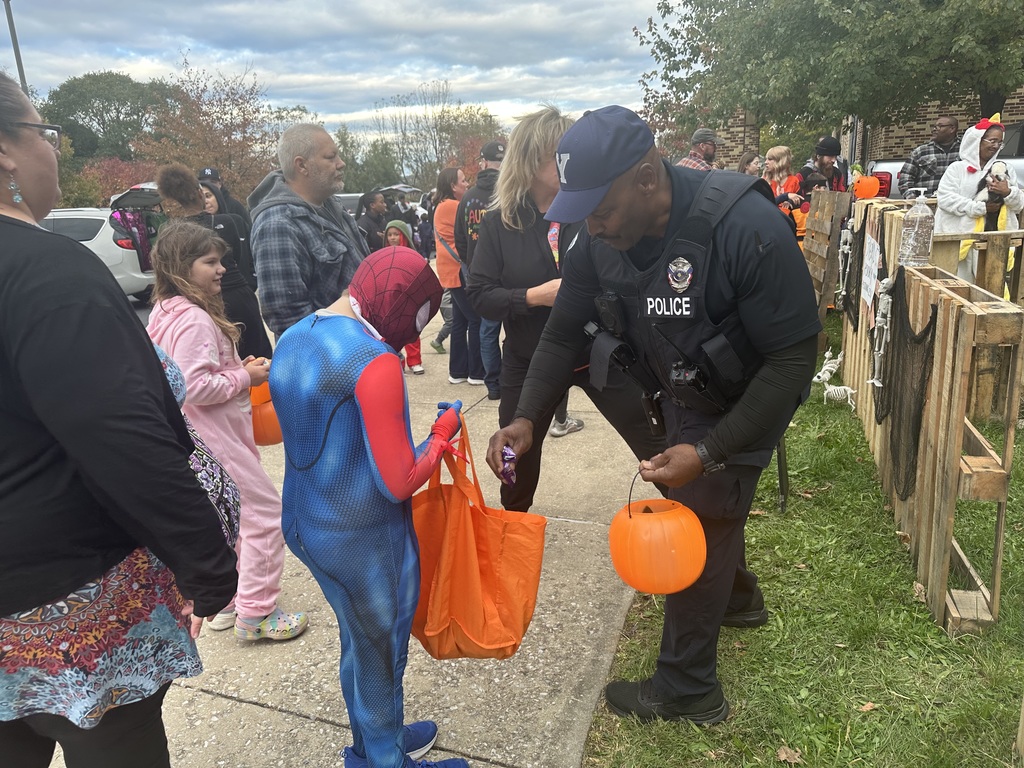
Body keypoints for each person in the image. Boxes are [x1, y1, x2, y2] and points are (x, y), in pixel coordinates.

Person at [485, 105, 820, 723]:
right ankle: (739, 600)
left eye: (601, 209)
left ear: (646, 176)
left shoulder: (746, 225)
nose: (591, 225)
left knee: (702, 507)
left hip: (753, 391)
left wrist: (713, 451)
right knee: (714, 509)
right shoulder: (598, 239)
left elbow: (793, 361)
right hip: (679, 386)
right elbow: (562, 335)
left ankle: (688, 688)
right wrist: (527, 417)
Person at [0, 72, 237, 767]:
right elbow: (119, 440)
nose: (53, 152)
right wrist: (208, 563)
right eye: (46, 133)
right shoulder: (46, 272)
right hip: (67, 592)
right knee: (116, 747)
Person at [270, 246, 469, 768]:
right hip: (360, 535)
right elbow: (399, 480)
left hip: (305, 521)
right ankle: (386, 758)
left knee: (356, 639)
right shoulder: (373, 361)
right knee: (381, 650)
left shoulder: (296, 334)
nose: (416, 335)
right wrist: (441, 433)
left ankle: (369, 743)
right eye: (418, 321)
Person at [468, 106, 669, 511]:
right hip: (528, 359)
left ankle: (699, 526)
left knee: (660, 449)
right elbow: (478, 295)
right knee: (512, 463)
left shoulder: (591, 210)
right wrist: (533, 296)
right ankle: (511, 532)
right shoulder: (499, 222)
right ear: (529, 161)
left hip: (599, 355)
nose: (568, 165)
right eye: (557, 155)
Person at [147, 220, 309, 642]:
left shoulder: (164, 314)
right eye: (210, 262)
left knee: (234, 520)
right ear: (183, 267)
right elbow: (193, 386)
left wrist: (236, 369)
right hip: (216, 436)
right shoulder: (196, 321)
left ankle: (233, 598)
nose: (221, 270)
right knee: (267, 518)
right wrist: (245, 377)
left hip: (198, 438)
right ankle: (257, 612)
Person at [248, 123, 369, 337]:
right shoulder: (278, 223)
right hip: (332, 362)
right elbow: (288, 320)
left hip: (365, 348)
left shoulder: (331, 206)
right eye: (330, 157)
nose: (341, 164)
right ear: (302, 165)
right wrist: (350, 342)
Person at [156, 163, 273, 360]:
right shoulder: (231, 221)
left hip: (198, 299)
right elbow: (242, 262)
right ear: (200, 194)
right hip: (237, 298)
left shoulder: (171, 232)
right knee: (259, 360)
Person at [935, 114, 1024, 283]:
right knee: (956, 287)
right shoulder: (958, 169)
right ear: (976, 140)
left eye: (999, 142)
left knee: (989, 287)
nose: (995, 146)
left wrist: (1007, 192)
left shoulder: (1004, 170)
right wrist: (980, 208)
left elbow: (1019, 205)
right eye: (991, 141)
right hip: (959, 241)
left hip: (991, 242)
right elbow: (945, 198)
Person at [456, 139, 505, 400]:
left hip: (479, 272)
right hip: (508, 272)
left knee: (488, 329)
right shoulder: (510, 193)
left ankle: (494, 384)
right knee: (515, 328)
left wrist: (473, 264)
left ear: (483, 163)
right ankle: (512, 378)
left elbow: (460, 238)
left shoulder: (468, 197)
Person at [433, 166, 485, 385]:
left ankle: (458, 371)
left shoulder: (442, 205)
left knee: (460, 321)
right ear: (452, 186)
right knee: (474, 318)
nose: (466, 184)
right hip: (458, 270)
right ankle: (476, 372)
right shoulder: (454, 206)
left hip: (450, 269)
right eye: (463, 181)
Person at [386, 219, 426, 374]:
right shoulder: (383, 255)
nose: (393, 237)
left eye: (396, 234)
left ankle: (415, 361)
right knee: (392, 333)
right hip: (391, 300)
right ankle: (397, 360)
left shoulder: (412, 255)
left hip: (409, 300)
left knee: (412, 331)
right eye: (389, 235)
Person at [202, 178, 257, 290]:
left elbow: (251, 249)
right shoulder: (195, 229)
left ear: (217, 196)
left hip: (242, 289)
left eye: (208, 196)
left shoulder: (236, 221)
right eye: (201, 198)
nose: (205, 201)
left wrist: (252, 280)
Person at [898, 117, 960, 198]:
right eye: (934, 126)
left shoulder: (965, 150)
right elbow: (905, 179)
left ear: (952, 129)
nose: (934, 129)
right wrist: (912, 199)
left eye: (940, 126)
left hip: (957, 205)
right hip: (926, 205)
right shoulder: (921, 152)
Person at [198, 166, 252, 232]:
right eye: (203, 181)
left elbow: (249, 232)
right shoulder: (194, 206)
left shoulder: (235, 207)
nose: (208, 184)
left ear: (220, 184)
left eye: (212, 182)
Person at [763, 145, 803, 211]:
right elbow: (766, 204)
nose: (766, 162)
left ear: (781, 161)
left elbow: (799, 202)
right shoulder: (765, 181)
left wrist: (790, 202)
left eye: (770, 159)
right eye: (766, 159)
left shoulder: (794, 181)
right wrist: (785, 196)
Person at [791, 172, 827, 245]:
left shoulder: (794, 205)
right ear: (816, 187)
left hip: (799, 247)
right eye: (824, 188)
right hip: (819, 247)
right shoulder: (824, 205)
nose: (825, 191)